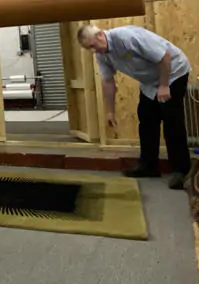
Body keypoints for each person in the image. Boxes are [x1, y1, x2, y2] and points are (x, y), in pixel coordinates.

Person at [77, 23, 191, 189]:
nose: (93, 51)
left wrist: (165, 86)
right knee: (146, 120)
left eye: (93, 46)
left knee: (171, 121)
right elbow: (108, 82)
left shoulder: (126, 37)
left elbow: (164, 56)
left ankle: (181, 170)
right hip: (150, 82)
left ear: (100, 35)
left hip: (173, 73)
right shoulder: (102, 54)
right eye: (89, 49)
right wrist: (110, 112)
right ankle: (148, 166)